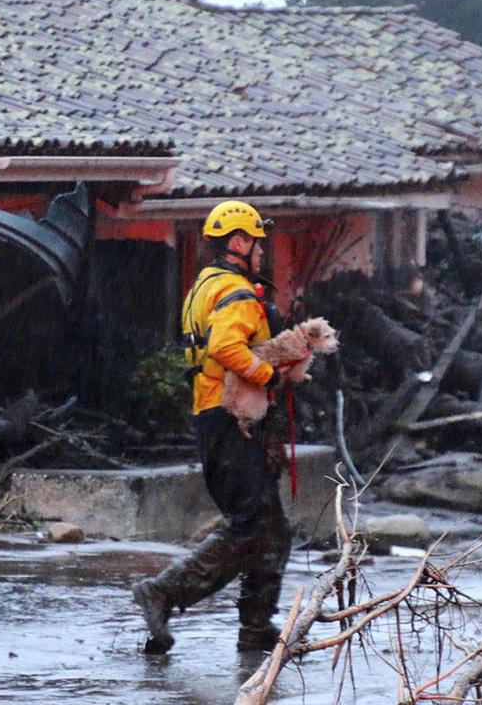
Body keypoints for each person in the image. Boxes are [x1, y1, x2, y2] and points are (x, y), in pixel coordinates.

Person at [132, 200, 292, 653]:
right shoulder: (237, 292)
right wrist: (271, 375)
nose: (261, 251)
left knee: (273, 528)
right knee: (250, 522)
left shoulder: (207, 284)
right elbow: (226, 347)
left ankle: (256, 628)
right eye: (257, 242)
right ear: (238, 243)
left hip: (220, 416)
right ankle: (163, 591)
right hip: (231, 419)